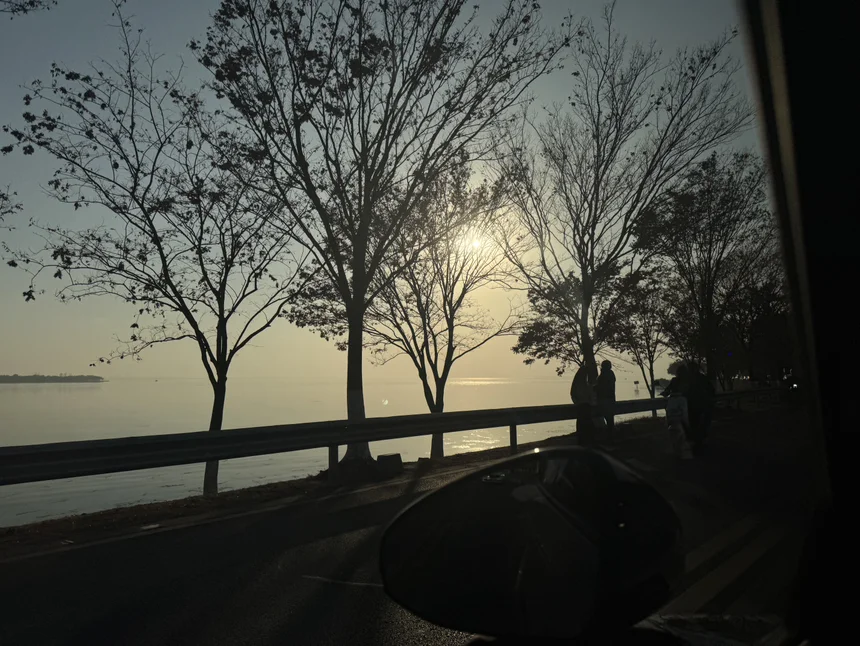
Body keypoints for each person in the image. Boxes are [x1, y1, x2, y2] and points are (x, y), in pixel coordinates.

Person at [570, 365, 597, 447]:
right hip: (585, 406)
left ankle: (583, 441)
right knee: (587, 424)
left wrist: (577, 403)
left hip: (581, 406)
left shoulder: (577, 385)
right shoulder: (586, 385)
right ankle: (588, 441)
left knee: (582, 424)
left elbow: (573, 395)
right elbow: (591, 396)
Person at [595, 360, 616, 442]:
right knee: (610, 420)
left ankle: (610, 438)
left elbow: (601, 387)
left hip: (604, 400)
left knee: (608, 419)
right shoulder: (610, 374)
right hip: (610, 399)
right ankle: (611, 437)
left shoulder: (604, 376)